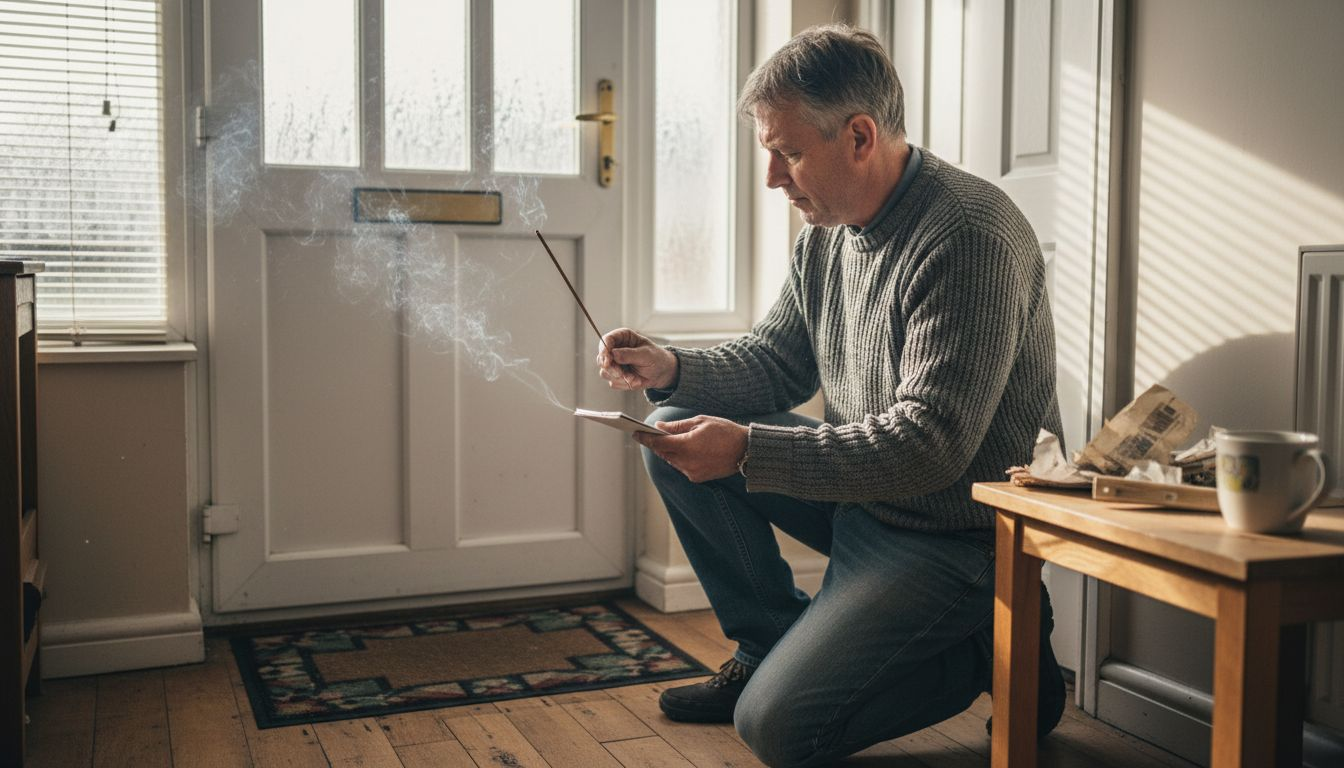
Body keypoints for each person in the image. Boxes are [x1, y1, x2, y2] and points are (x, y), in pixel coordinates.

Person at [595, 23, 1065, 767]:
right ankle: (768, 647)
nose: (772, 179)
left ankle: (996, 651)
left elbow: (930, 446)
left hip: (959, 536)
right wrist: (669, 367)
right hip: (868, 504)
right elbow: (777, 363)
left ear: (859, 136)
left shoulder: (969, 234)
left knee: (778, 730)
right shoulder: (828, 232)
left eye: (787, 153)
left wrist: (747, 452)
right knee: (673, 425)